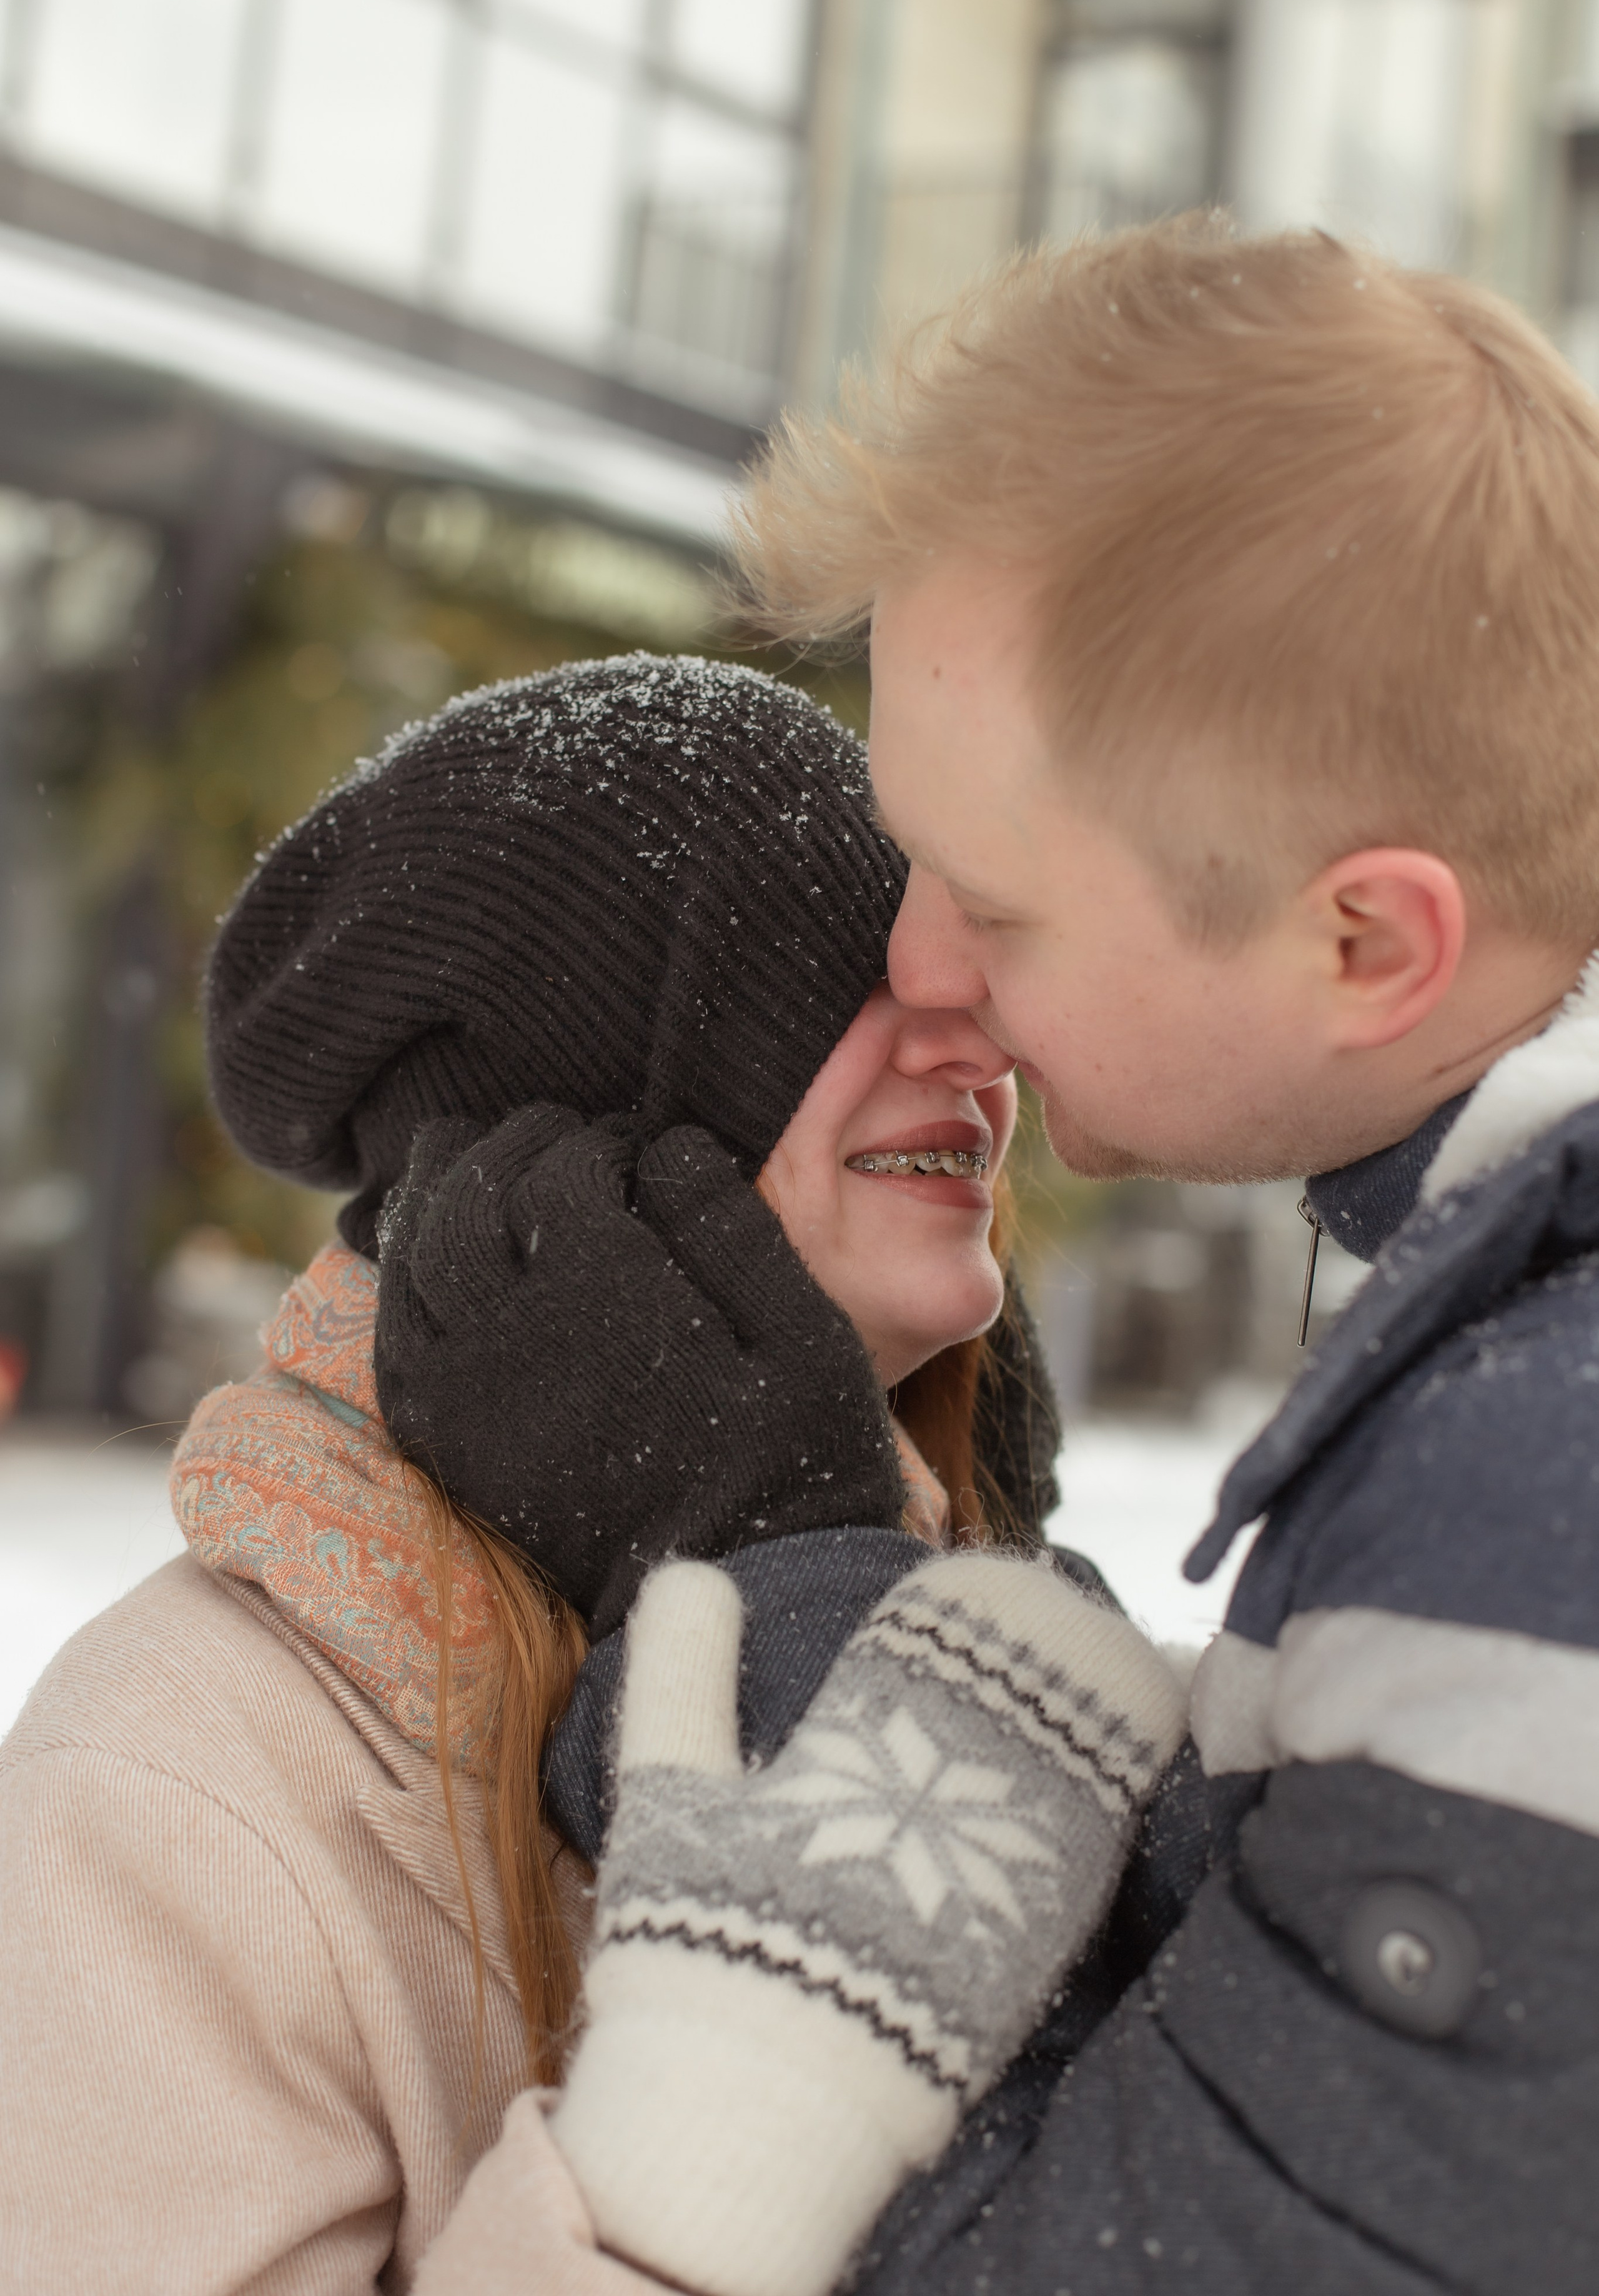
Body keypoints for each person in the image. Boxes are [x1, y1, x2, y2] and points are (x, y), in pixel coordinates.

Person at [492, 221, 1599, 2295]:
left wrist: (755, 1545)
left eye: (996, 910)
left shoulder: (1541, 1509)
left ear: (1370, 941)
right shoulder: (1504, 1369)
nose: (919, 968)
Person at [0, 655, 1180, 2294]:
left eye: (957, 952)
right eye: (828, 973)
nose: (967, 1032)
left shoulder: (1004, 1593)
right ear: (578, 1112)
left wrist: (803, 1588)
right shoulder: (181, 1791)